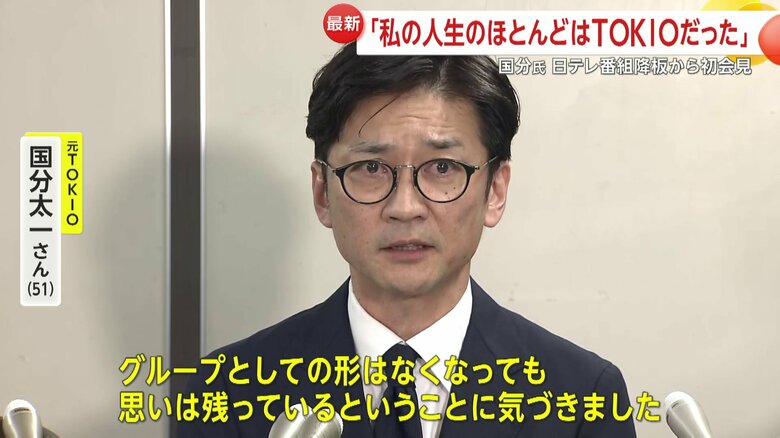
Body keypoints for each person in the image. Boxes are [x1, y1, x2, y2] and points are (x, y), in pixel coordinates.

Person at [178, 42, 637, 438]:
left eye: (442, 168)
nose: (405, 206)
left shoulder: (582, 397)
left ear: (495, 190)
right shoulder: (225, 394)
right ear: (322, 193)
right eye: (371, 168)